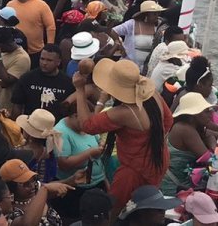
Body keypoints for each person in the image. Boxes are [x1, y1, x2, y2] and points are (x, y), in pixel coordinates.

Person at [72, 59, 173, 214]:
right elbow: (168, 121)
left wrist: (80, 89)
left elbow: (87, 126)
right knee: (143, 207)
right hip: (158, 159)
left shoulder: (124, 112)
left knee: (113, 211)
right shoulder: (152, 94)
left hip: (133, 171)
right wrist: (149, 141)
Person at [10, 44, 74, 119]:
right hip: (30, 123)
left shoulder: (67, 83)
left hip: (56, 124)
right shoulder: (27, 78)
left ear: (58, 62)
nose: (44, 63)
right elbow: (17, 105)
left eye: (49, 60)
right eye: (42, 59)